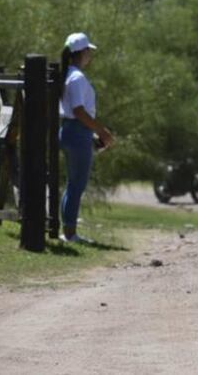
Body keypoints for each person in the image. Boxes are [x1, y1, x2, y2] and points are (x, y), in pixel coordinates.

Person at [59, 32, 114, 243]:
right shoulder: (77, 77)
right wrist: (102, 131)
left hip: (70, 130)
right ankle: (71, 234)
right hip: (77, 132)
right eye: (88, 51)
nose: (90, 55)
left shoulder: (67, 74)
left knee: (72, 184)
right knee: (76, 185)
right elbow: (80, 111)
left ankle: (68, 231)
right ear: (81, 52)